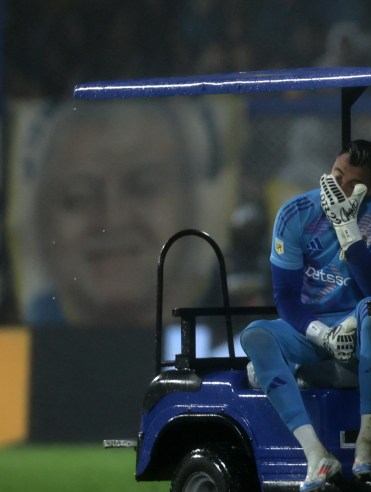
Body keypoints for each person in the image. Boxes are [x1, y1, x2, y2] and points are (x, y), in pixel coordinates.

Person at [240, 140, 371, 492]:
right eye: (337, 175)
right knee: (256, 335)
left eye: (353, 183)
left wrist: (348, 228)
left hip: (365, 321)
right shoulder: (295, 213)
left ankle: (366, 444)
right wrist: (322, 334)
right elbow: (285, 297)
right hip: (315, 327)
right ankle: (316, 455)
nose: (340, 188)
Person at [11, 98, 234, 326]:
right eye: (79, 197)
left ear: (191, 202)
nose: (113, 219)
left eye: (145, 187)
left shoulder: (239, 322)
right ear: (43, 220)